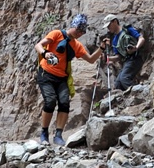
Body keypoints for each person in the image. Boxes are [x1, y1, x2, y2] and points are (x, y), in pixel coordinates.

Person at [34, 13, 106, 146]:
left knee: (64, 103)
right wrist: (45, 53)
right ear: (73, 26)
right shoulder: (56, 34)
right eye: (78, 29)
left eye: (82, 31)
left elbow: (90, 59)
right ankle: (44, 133)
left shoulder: (76, 45)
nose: (80, 33)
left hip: (62, 77)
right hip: (46, 74)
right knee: (50, 101)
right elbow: (39, 45)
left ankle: (58, 135)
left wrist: (101, 48)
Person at [101, 14, 145, 91]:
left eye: (109, 25)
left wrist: (136, 48)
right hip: (127, 62)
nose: (108, 28)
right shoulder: (114, 40)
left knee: (124, 78)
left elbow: (141, 38)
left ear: (115, 21)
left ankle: (139, 91)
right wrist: (107, 58)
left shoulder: (127, 30)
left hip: (135, 58)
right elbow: (118, 57)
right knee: (118, 84)